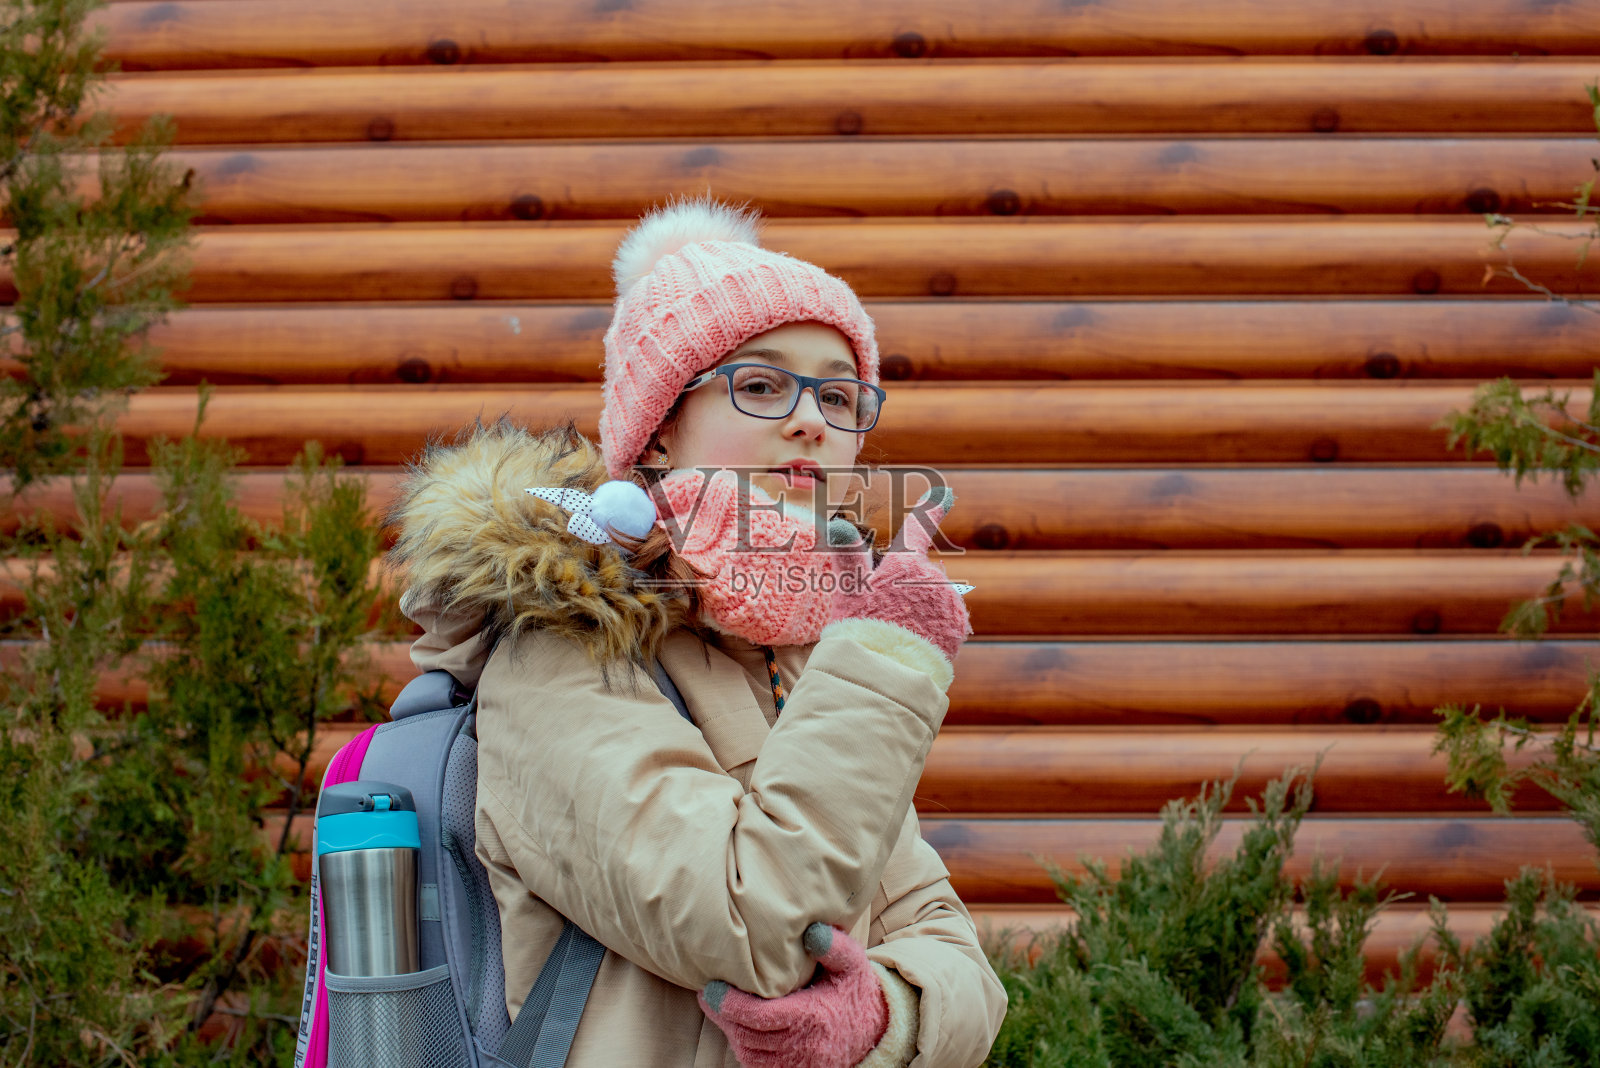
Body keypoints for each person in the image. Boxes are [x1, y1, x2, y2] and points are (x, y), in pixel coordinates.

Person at [389, 197, 1007, 1067]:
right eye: (760, 385)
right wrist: (887, 661)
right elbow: (755, 928)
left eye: (838, 394)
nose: (812, 421)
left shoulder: (805, 655)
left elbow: (955, 951)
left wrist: (885, 1015)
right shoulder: (568, 648)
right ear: (660, 432)